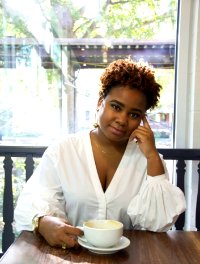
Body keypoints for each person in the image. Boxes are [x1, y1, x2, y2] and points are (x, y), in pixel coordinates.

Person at [14, 58, 186, 249]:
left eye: (134, 114)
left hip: (129, 263)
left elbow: (158, 225)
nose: (122, 120)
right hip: (71, 257)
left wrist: (153, 156)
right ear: (99, 103)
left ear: (142, 121)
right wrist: (43, 223)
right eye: (116, 106)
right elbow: (34, 199)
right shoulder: (63, 151)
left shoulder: (149, 161)